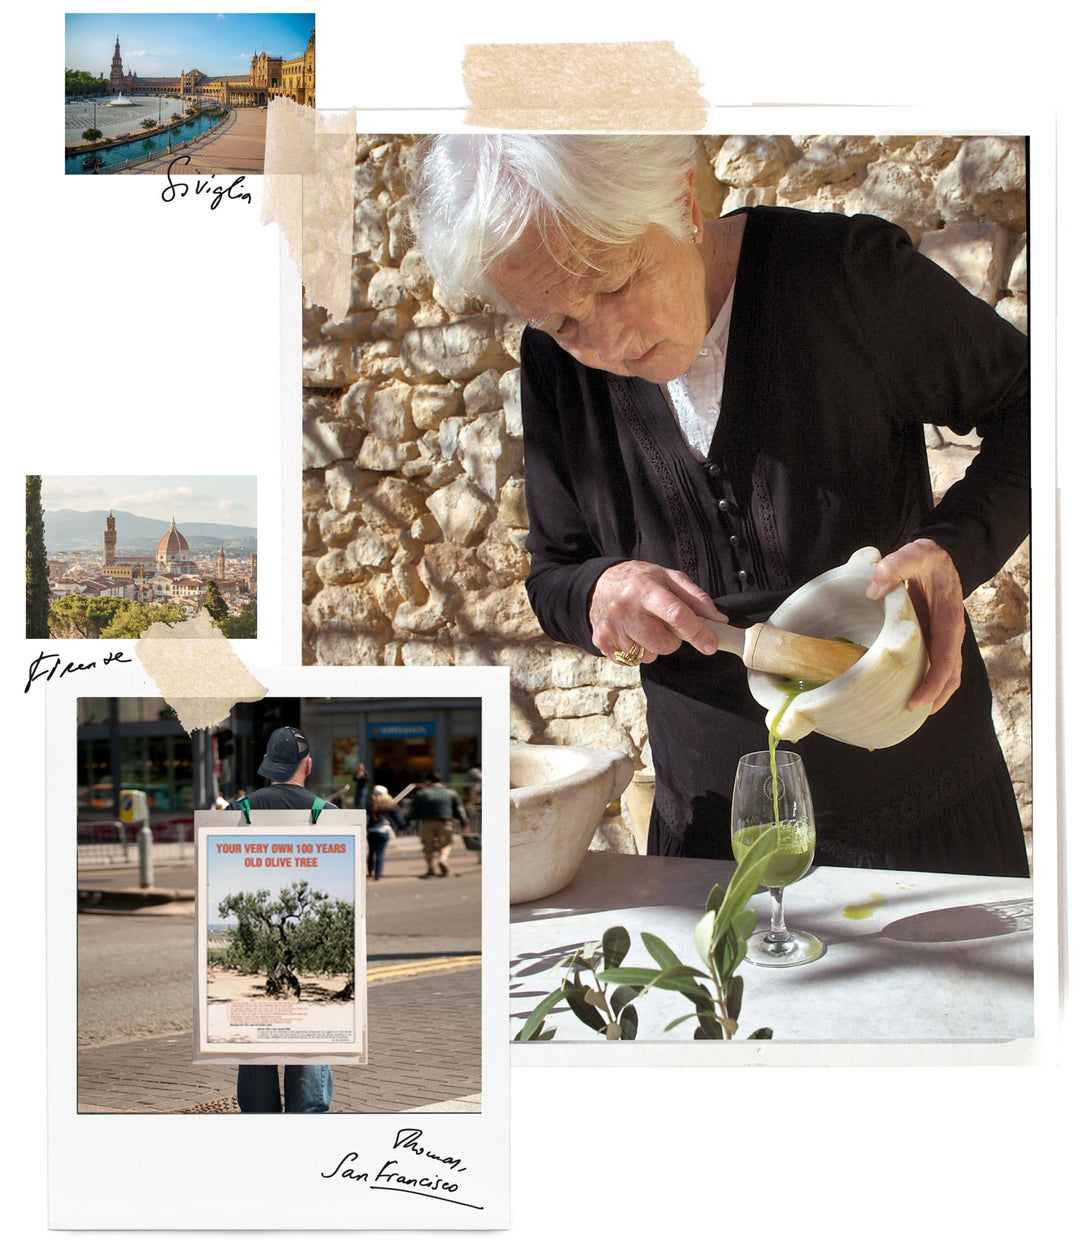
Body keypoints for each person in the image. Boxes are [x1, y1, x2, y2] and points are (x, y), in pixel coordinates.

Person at [412, 134, 1030, 877]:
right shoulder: (552, 368)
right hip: (713, 840)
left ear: (680, 198)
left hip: (926, 826)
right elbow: (556, 571)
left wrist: (954, 552)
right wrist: (600, 593)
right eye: (563, 323)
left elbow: (1038, 408)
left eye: (614, 283)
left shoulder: (844, 278)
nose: (609, 341)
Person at [227, 726, 336, 1112]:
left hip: (254, 949)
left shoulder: (235, 815)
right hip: (306, 945)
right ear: (308, 764)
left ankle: (262, 1129)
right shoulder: (332, 817)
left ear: (268, 767)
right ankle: (306, 1125)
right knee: (309, 1036)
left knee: (256, 1042)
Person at [409, 773, 470, 877]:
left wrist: (407, 821)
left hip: (427, 822)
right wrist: (464, 822)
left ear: (428, 781)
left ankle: (430, 868)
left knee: (428, 845)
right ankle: (443, 859)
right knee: (446, 843)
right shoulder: (451, 792)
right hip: (445, 821)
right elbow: (460, 809)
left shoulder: (422, 793)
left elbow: (413, 809)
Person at [366, 784, 405, 880]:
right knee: (380, 852)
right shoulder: (390, 805)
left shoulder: (371, 805)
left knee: (371, 852)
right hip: (384, 831)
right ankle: (378, 874)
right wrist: (402, 826)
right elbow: (399, 820)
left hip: (371, 831)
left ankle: (370, 871)